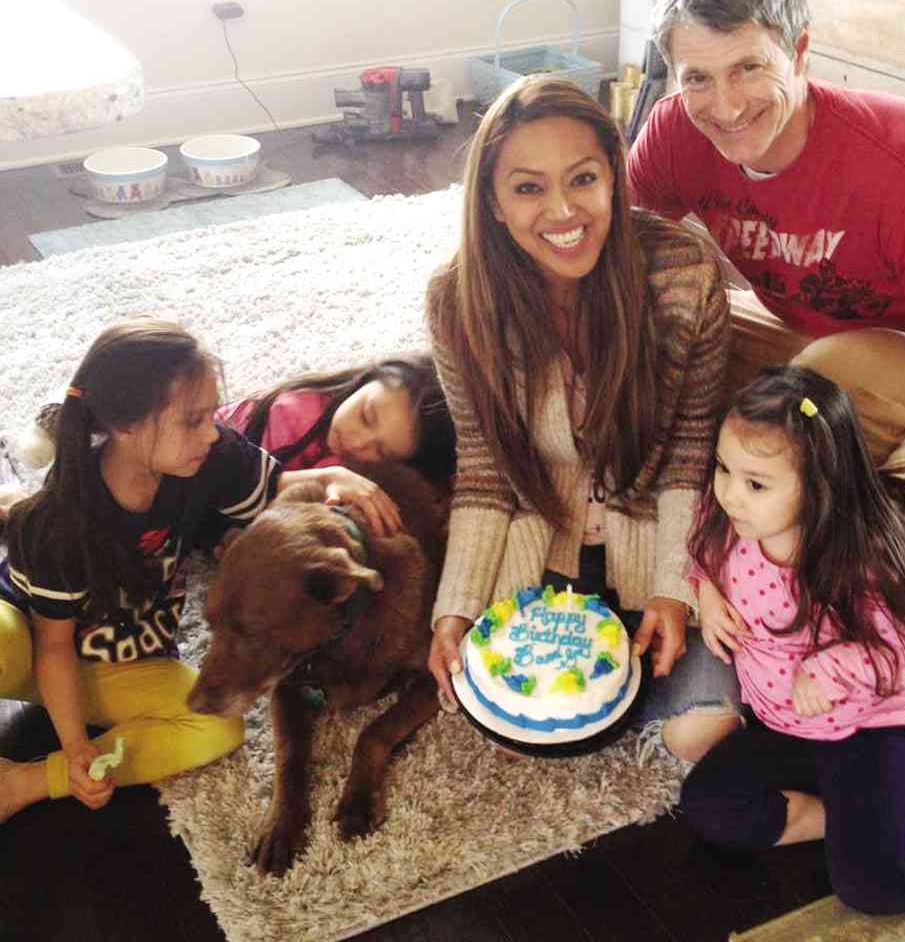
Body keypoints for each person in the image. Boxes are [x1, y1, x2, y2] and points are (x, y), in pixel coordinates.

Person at [425, 75, 741, 763]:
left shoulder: (685, 274)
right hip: (536, 540)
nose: (563, 210)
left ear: (615, 180)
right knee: (506, 720)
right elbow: (483, 467)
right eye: (528, 188)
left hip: (659, 531)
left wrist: (673, 591)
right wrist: (457, 605)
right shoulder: (456, 301)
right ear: (493, 203)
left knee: (702, 729)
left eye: (584, 179)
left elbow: (690, 454)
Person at [628, 0, 905, 507]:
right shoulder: (674, 131)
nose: (726, 107)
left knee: (805, 412)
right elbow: (620, 251)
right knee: (675, 350)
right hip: (798, 324)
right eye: (698, 79)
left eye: (749, 68)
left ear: (799, 52)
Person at [0, 317, 391, 822]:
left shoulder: (211, 457)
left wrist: (333, 474)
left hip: (113, 664)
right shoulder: (60, 523)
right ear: (125, 425)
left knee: (214, 727)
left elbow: (275, 486)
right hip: (31, 641)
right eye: (192, 421)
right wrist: (76, 744)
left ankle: (23, 781)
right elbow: (51, 646)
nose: (211, 432)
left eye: (210, 415)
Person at [678, 364, 905, 915]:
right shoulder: (729, 522)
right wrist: (707, 594)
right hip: (786, 728)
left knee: (875, 889)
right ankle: (862, 822)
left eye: (755, 483)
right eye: (723, 468)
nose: (730, 494)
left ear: (819, 486)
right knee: (707, 805)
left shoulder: (859, 562)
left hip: (872, 732)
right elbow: (700, 559)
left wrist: (829, 667)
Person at [217, 353, 456, 536]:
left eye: (380, 451)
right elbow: (238, 484)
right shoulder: (293, 412)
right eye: (366, 416)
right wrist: (326, 478)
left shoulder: (358, 472)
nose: (357, 442)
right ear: (368, 379)